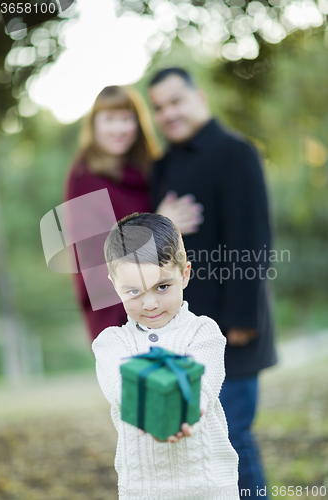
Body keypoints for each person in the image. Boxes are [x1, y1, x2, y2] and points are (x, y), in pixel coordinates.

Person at [148, 67, 277, 499]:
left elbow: (252, 238)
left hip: (231, 327)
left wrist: (242, 317)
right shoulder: (164, 166)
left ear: (199, 97)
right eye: (159, 108)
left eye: (175, 101)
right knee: (198, 446)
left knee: (233, 440)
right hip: (184, 332)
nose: (168, 114)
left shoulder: (235, 152)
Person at [92, 212, 240, 500]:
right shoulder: (112, 343)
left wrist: (182, 412)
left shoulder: (203, 332)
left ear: (183, 274)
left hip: (210, 487)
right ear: (114, 285)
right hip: (144, 491)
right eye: (133, 291)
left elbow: (204, 385)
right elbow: (121, 389)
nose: (150, 303)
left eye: (162, 286)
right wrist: (153, 416)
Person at [64, 85, 203, 341]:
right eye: (109, 119)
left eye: (126, 119)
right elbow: (94, 255)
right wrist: (161, 224)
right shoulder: (85, 177)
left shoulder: (148, 168)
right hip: (119, 308)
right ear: (94, 125)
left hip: (162, 299)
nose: (119, 129)